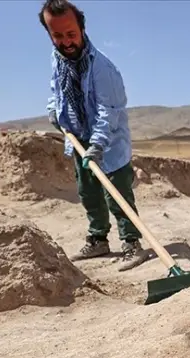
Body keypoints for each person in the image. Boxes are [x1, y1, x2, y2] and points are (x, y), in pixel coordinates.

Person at [39, 0, 148, 271]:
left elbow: (108, 112)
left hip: (108, 140)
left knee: (117, 192)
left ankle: (132, 243)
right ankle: (98, 239)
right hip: (78, 136)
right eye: (58, 36)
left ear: (82, 29)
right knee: (87, 192)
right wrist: (53, 110)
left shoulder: (103, 69)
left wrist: (98, 144)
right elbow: (57, 90)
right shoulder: (58, 60)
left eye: (71, 34)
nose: (66, 42)